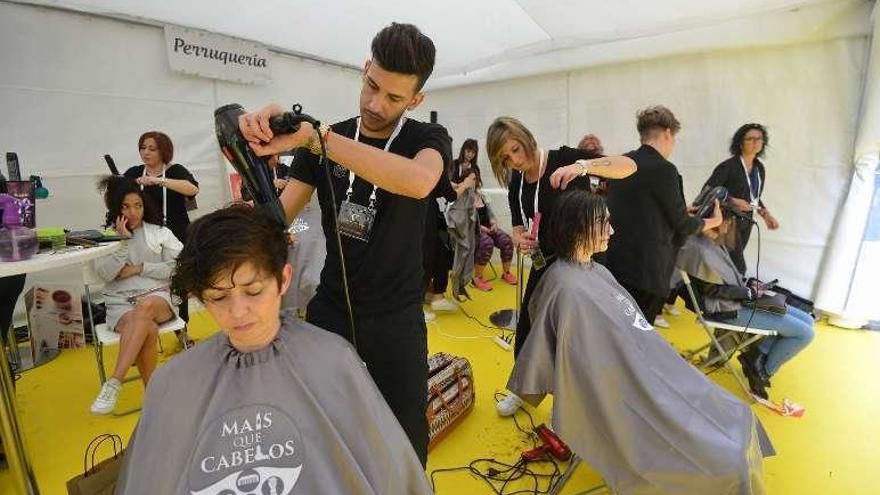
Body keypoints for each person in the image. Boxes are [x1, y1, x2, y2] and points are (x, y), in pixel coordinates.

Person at [237, 23, 451, 465]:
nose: (375, 104)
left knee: (407, 444)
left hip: (397, 319)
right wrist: (251, 154)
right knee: (314, 428)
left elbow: (419, 181)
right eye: (372, 85)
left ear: (416, 100)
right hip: (332, 307)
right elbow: (277, 219)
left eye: (394, 97)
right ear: (365, 68)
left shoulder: (425, 139)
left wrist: (319, 140)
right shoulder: (326, 137)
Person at [114, 205, 431, 495]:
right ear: (200, 296)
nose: (238, 312)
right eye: (219, 297)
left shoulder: (333, 360)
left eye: (253, 291)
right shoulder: (175, 380)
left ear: (283, 280)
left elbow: (389, 474)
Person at [507, 189, 774, 494]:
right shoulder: (566, 290)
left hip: (648, 370)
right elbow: (577, 367)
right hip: (626, 390)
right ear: (579, 227)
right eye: (603, 224)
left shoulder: (596, 271)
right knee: (730, 459)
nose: (612, 230)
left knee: (739, 417)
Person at [485, 116, 637, 415]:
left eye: (516, 149)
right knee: (530, 325)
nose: (515, 160)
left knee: (579, 335)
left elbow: (628, 166)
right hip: (546, 264)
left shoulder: (565, 158)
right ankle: (523, 388)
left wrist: (583, 166)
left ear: (526, 136)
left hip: (581, 264)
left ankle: (582, 401)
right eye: (506, 157)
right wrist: (520, 240)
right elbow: (517, 226)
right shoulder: (517, 181)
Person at [604, 105, 722, 327]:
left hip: (613, 265)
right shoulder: (665, 170)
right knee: (637, 337)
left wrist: (678, 209)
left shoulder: (622, 162)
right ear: (668, 133)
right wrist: (713, 221)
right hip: (647, 273)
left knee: (612, 331)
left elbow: (637, 208)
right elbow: (683, 225)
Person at [675, 213, 814, 399]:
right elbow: (712, 291)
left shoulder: (709, 244)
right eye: (731, 222)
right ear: (720, 221)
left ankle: (756, 357)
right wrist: (749, 292)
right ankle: (762, 370)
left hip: (736, 300)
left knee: (807, 320)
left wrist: (748, 286)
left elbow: (724, 281)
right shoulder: (700, 250)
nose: (731, 227)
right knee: (805, 333)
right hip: (726, 309)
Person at [89, 176, 181, 415]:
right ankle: (154, 398)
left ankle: (114, 382)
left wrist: (140, 268)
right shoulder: (105, 237)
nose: (133, 212)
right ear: (117, 208)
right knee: (147, 330)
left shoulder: (160, 232)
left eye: (137, 206)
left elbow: (178, 267)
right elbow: (106, 275)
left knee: (145, 306)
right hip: (120, 304)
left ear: (144, 205)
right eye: (126, 206)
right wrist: (123, 244)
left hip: (157, 297)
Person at [123, 131, 199, 340]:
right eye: (142, 148)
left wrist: (158, 182)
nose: (145, 152)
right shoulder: (134, 172)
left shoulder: (175, 170)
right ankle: (143, 328)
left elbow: (192, 189)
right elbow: (118, 196)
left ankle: (181, 330)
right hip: (146, 238)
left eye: (151, 148)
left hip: (175, 234)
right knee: (143, 281)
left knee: (178, 283)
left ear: (163, 151)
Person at [702, 123, 780, 274]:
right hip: (727, 222)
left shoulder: (759, 168)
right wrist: (732, 200)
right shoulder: (728, 166)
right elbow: (708, 191)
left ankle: (721, 294)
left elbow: (755, 197)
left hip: (747, 222)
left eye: (759, 138)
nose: (756, 142)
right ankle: (733, 294)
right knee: (737, 267)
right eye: (750, 139)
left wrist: (766, 215)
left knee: (729, 265)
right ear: (740, 143)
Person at [451, 139, 516, 291]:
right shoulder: (462, 200)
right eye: (472, 179)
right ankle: (477, 278)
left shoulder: (481, 195)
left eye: (476, 179)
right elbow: (465, 222)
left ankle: (506, 273)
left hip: (487, 227)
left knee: (506, 240)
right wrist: (481, 229)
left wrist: (493, 222)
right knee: (486, 242)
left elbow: (490, 212)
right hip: (473, 231)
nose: (475, 181)